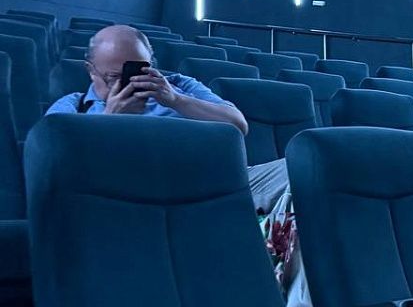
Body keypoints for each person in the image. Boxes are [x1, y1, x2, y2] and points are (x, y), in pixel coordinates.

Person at [45, 25, 285, 214]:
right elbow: (56, 166)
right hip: (137, 195)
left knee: (299, 168)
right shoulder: (73, 106)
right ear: (90, 70)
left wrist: (175, 100)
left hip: (218, 181)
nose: (128, 85)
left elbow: (238, 125)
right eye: (115, 77)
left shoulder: (181, 85)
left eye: (139, 71)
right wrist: (111, 120)